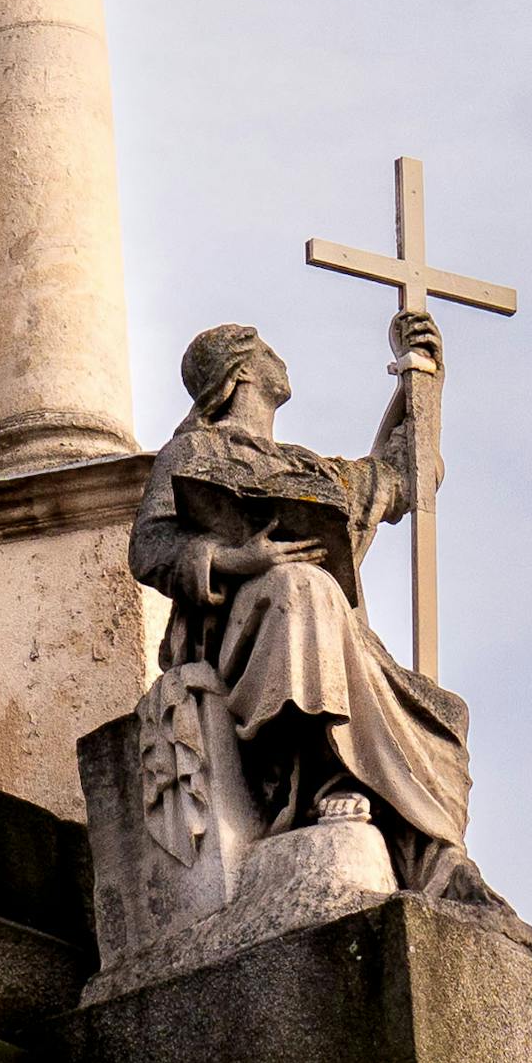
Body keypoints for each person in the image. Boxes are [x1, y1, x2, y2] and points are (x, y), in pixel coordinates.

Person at [131, 311, 482, 893]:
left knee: (439, 712)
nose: (278, 356)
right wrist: (239, 559)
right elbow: (150, 545)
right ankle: (320, 777)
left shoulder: (305, 468)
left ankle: (432, 860)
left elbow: (405, 474)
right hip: (241, 629)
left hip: (328, 634)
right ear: (240, 374)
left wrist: (422, 381)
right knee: (303, 588)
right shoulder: (192, 455)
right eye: (265, 348)